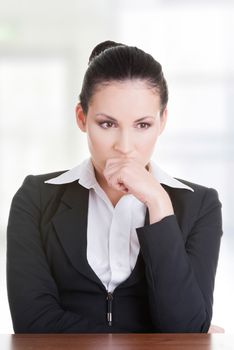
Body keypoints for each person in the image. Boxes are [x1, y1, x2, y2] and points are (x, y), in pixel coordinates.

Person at [7, 40, 222, 333]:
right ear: (82, 118)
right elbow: (32, 324)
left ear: (163, 121)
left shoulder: (200, 205)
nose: (124, 147)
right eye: (107, 124)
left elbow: (184, 329)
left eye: (142, 125)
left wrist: (159, 204)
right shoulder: (36, 198)